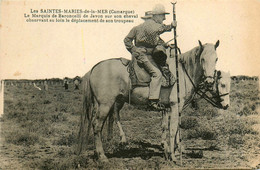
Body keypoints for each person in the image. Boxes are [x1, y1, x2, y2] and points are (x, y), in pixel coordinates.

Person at [124, 4, 177, 111]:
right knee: (157, 74)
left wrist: (167, 45)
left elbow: (157, 40)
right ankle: (153, 101)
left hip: (149, 54)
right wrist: (171, 26)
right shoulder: (151, 25)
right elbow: (160, 29)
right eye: (162, 16)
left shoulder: (140, 28)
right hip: (143, 55)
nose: (164, 18)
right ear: (156, 16)